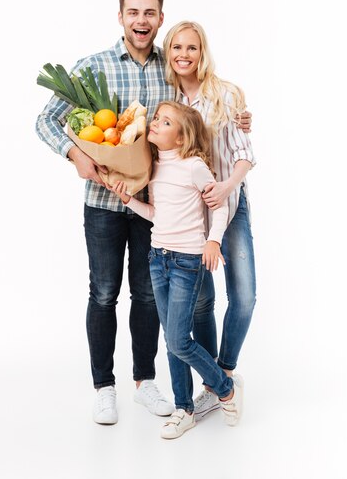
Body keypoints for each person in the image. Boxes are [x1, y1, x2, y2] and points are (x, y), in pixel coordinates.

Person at [35, 0, 177, 425]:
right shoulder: (92, 66)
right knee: (103, 293)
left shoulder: (169, 70)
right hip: (101, 203)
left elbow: (197, 110)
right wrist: (76, 154)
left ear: (160, 18)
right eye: (133, 12)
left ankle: (145, 382)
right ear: (120, 17)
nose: (141, 21)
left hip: (154, 204)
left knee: (149, 294)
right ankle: (104, 387)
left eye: (150, 13)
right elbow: (45, 121)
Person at [111, 101, 241, 439]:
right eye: (156, 118)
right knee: (172, 342)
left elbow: (220, 204)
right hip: (158, 258)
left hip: (187, 261)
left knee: (179, 340)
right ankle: (184, 409)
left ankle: (224, 387)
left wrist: (213, 241)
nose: (154, 123)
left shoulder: (194, 166)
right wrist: (129, 201)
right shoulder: (154, 168)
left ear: (181, 138)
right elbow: (156, 213)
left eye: (165, 122)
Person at [162, 21, 256, 421]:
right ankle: (212, 386)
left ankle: (225, 370)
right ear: (169, 53)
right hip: (188, 216)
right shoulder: (166, 98)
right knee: (202, 302)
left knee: (245, 296)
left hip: (229, 203)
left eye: (192, 47)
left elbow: (245, 152)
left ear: (203, 52)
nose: (184, 54)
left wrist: (227, 184)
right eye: (177, 47)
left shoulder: (227, 94)